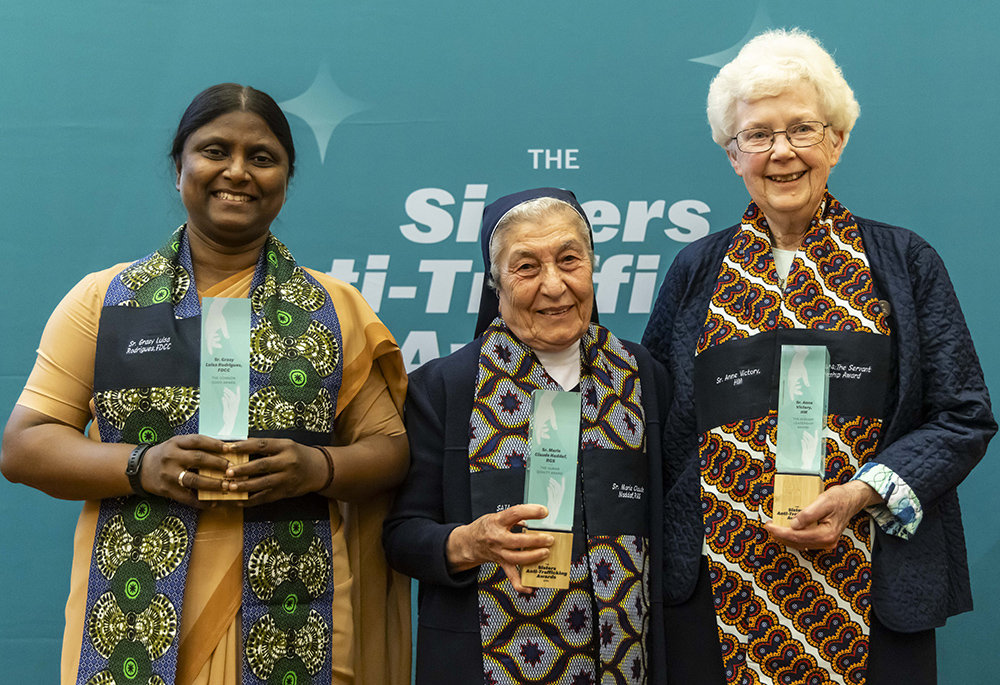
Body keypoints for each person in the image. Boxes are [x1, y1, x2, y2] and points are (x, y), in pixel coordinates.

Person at [0, 83, 411, 685]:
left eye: (263, 158)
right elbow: (24, 445)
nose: (237, 172)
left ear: (287, 179)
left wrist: (316, 468)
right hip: (131, 613)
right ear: (180, 167)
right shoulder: (105, 301)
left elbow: (391, 451)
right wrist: (143, 466)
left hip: (296, 609)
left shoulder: (334, 308)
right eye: (215, 150)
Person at [641, 29, 996, 685]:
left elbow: (963, 414)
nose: (782, 152)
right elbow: (649, 419)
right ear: (732, 153)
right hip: (716, 594)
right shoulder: (696, 270)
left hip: (870, 583)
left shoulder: (905, 263)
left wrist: (864, 492)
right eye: (758, 134)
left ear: (837, 141)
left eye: (802, 129)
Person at [383, 188, 671, 684]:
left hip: (626, 667)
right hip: (486, 665)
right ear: (496, 284)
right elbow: (400, 535)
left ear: (593, 267)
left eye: (568, 260)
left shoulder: (640, 374)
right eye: (527, 268)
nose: (555, 285)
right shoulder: (446, 387)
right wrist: (466, 542)